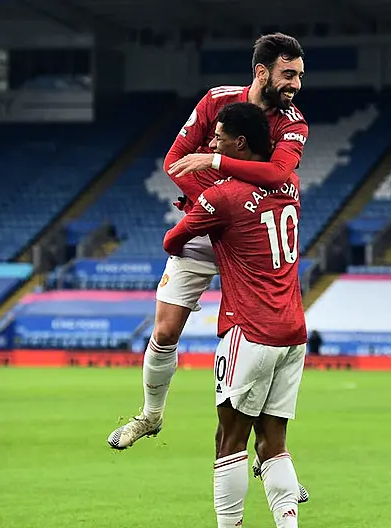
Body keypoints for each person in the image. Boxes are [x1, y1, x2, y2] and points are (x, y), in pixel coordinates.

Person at [107, 34, 308, 470]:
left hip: (252, 236)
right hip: (207, 223)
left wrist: (220, 177)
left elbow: (277, 173)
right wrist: (214, 204)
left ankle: (272, 456)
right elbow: (175, 160)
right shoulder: (216, 100)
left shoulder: (293, 122)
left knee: (258, 340)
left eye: (298, 75)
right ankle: (150, 416)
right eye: (287, 74)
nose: (295, 84)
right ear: (261, 72)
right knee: (164, 330)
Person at [163, 102, 307, 528]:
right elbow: (268, 177)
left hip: (249, 329)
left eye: (220, 138)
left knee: (229, 441)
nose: (213, 145)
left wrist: (203, 212)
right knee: (275, 444)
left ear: (239, 143)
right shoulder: (289, 186)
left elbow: (173, 240)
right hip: (293, 331)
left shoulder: (222, 197)